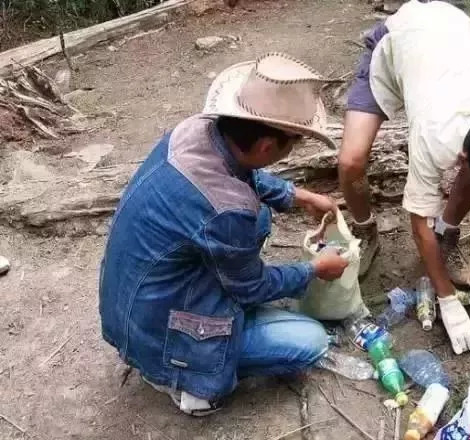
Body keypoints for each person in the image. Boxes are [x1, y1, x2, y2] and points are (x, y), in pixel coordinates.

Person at [99, 53, 349, 415]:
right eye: (294, 141)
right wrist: (313, 270)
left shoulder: (194, 131)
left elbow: (239, 171)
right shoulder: (227, 210)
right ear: (266, 146)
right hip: (157, 333)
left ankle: (174, 356)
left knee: (255, 225)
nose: (293, 148)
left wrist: (298, 195)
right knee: (310, 341)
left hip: (134, 306)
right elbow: (252, 288)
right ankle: (184, 380)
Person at [338, 0, 470, 354]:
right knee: (351, 160)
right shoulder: (434, 134)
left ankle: (449, 232)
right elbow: (418, 222)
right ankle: (365, 229)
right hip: (400, 40)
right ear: (462, 156)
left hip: (455, 32)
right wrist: (446, 298)